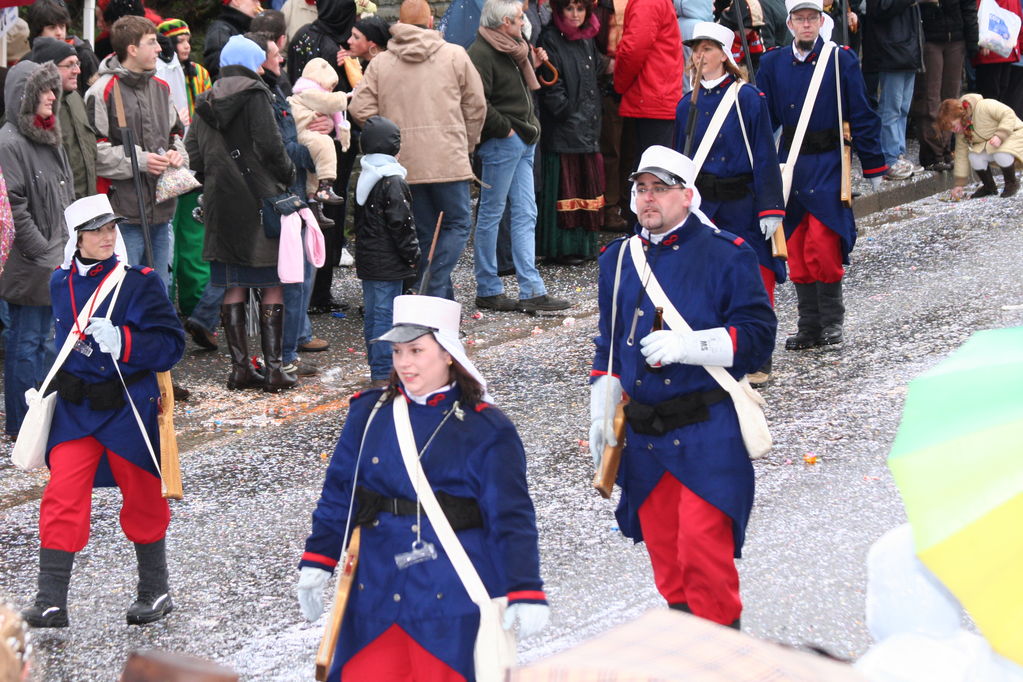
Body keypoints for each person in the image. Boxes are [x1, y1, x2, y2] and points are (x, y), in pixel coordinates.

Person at [297, 294, 549, 681]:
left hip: (451, 592)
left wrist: (525, 587)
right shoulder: (368, 412)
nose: (404, 363)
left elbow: (511, 516)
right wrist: (319, 559)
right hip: (374, 587)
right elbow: (339, 491)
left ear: (448, 353)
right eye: (398, 351)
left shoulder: (487, 427)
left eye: (416, 350)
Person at [588, 146, 775, 629]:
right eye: (641, 189)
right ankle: (691, 653)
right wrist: (601, 401)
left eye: (660, 189)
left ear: (687, 196)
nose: (648, 199)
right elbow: (609, 340)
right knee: (667, 561)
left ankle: (726, 657)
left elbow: (757, 337)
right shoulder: (617, 258)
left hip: (706, 430)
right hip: (647, 438)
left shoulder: (727, 254)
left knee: (703, 556)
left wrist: (691, 346)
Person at [22, 193, 185, 628]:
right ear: (76, 238)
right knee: (61, 498)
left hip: (127, 407)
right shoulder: (59, 282)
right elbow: (61, 346)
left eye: (111, 228)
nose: (108, 236)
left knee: (144, 497)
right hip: (75, 411)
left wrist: (125, 341)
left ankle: (155, 591)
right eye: (96, 230)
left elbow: (172, 346)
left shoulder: (140, 281)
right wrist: (42, 387)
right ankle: (51, 601)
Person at [757, 0, 886, 351]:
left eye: (812, 18)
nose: (806, 24)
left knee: (823, 242)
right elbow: (762, 121)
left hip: (829, 161)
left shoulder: (839, 58)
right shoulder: (771, 63)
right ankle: (808, 325)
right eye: (799, 18)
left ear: (821, 21)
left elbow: (861, 110)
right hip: (792, 165)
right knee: (796, 244)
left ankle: (832, 321)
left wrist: (873, 163)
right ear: (790, 23)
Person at [349, 0, 486, 301]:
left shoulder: (382, 62)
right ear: (431, 22)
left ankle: (435, 304)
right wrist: (467, 143)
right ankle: (430, 286)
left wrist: (386, 141)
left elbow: (359, 107)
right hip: (448, 155)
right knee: (458, 224)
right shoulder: (454, 55)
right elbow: (476, 106)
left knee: (426, 232)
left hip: (404, 161)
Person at [673, 22, 785, 386]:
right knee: (707, 282)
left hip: (742, 204)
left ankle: (758, 358)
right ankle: (717, 354)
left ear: (724, 54)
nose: (700, 56)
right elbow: (679, 161)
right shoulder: (684, 105)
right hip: (704, 207)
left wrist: (771, 209)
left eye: (707, 49)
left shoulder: (747, 97)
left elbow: (765, 155)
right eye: (696, 49)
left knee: (753, 281)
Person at [185, 35, 298, 393]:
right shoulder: (256, 94)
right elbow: (271, 146)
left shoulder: (203, 101)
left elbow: (194, 155)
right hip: (259, 201)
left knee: (232, 283)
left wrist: (215, 180)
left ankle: (240, 370)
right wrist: (288, 176)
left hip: (221, 205)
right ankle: (275, 370)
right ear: (253, 62)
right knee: (271, 284)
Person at [468, 0, 571, 313]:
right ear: (503, 23)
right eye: (518, 17)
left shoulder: (516, 46)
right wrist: (507, 130)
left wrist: (534, 64)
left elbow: (517, 90)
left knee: (526, 213)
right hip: (504, 141)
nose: (523, 19)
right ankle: (488, 286)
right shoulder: (481, 52)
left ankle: (531, 288)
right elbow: (477, 103)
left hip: (523, 138)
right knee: (491, 214)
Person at [85, 15, 189, 292]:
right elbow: (95, 152)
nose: (159, 49)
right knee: (124, 291)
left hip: (162, 209)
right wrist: (142, 161)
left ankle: (156, 337)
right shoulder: (102, 90)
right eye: (152, 42)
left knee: (159, 289)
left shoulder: (161, 87)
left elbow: (175, 136)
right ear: (132, 49)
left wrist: (177, 156)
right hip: (123, 214)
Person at [0, 61, 75, 439]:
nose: (51, 95)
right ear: (24, 96)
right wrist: (46, 253)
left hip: (54, 259)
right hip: (28, 263)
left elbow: (67, 197)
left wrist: (69, 247)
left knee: (49, 342)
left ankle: (44, 419)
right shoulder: (10, 142)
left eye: (53, 89)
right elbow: (14, 208)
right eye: (43, 89)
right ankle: (21, 423)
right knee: (27, 342)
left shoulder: (49, 136)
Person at [288, 0, 360, 315]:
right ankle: (319, 291)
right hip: (328, 142)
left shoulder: (303, 36)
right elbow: (346, 96)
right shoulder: (333, 48)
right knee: (329, 211)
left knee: (304, 208)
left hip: (298, 134)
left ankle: (305, 289)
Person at [536, 0, 607, 265]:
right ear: (559, 10)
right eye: (570, 9)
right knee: (567, 190)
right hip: (565, 131)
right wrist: (566, 112)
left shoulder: (587, 38)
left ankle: (583, 246)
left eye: (580, 9)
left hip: (587, 127)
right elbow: (552, 88)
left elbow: (593, 75)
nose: (575, 15)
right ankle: (562, 248)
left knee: (586, 187)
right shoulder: (551, 38)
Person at [353, 116, 419, 387]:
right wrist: (413, 255)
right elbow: (401, 224)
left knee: (373, 314)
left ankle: (377, 366)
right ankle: (382, 372)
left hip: (369, 259)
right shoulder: (392, 179)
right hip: (389, 261)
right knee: (385, 316)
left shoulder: (365, 175)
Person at [158, 19, 214, 324]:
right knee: (169, 239)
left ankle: (195, 305)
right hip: (168, 168)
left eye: (187, 39)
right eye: (178, 41)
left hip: (195, 167)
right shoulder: (158, 74)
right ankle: (169, 302)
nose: (185, 46)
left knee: (193, 239)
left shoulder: (201, 75)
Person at [613, 0, 684, 174]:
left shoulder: (647, 3)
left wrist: (619, 85)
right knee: (652, 170)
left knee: (651, 173)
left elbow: (633, 50)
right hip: (657, 93)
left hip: (651, 94)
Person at [911, 0, 978, 171]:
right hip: (929, 37)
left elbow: (969, 8)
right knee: (930, 97)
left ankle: (946, 149)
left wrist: (972, 42)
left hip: (956, 36)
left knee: (951, 97)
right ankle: (932, 153)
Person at [861, 0, 923, 181]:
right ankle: (889, 158)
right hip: (891, 50)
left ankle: (899, 154)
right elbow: (879, 9)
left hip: (908, 49)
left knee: (903, 108)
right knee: (891, 108)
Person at [30, 37, 97, 201]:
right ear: (48, 69)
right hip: (57, 208)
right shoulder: (35, 108)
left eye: (77, 64)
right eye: (69, 65)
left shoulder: (76, 99)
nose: (77, 71)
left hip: (87, 205)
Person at [288, 57, 351, 204]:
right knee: (325, 143)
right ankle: (325, 187)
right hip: (303, 132)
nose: (331, 89)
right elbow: (329, 102)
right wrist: (344, 96)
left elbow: (335, 115)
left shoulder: (314, 96)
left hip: (305, 134)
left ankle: (314, 203)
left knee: (314, 172)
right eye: (330, 84)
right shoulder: (309, 92)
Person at [938, 94, 1022, 199]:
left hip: (1015, 135)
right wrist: (959, 184)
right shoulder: (962, 130)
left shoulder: (985, 105)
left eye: (954, 126)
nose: (954, 131)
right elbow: (961, 155)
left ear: (960, 115)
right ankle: (989, 187)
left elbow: (1008, 114)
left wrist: (1000, 135)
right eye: (950, 129)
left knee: (1001, 152)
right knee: (974, 156)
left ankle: (1011, 183)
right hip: (993, 144)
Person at [26, 0, 101, 97]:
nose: (59, 33)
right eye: (52, 27)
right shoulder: (28, 62)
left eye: (62, 26)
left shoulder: (83, 55)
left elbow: (97, 98)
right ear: (38, 32)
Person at [205, 0, 263, 80]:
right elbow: (218, 72)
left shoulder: (250, 28)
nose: (258, 4)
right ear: (236, 1)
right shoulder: (220, 31)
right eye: (254, 0)